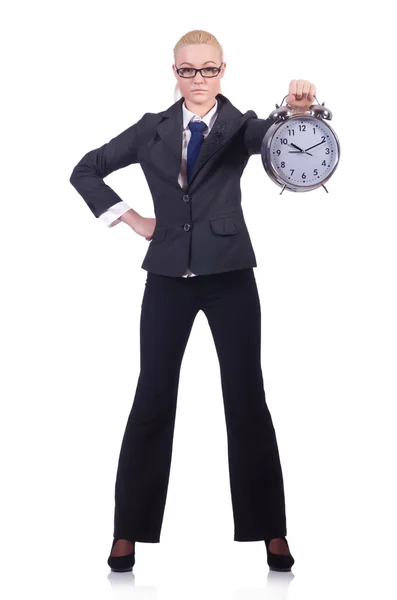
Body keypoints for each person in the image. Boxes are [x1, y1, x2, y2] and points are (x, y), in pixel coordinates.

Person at [69, 29, 316, 572]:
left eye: (209, 70)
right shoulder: (150, 129)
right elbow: (85, 169)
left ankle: (270, 530)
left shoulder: (239, 125)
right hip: (165, 279)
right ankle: (127, 530)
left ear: (223, 70)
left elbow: (275, 137)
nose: (199, 80)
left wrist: (301, 110)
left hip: (230, 276)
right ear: (174, 72)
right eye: (188, 70)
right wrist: (131, 219)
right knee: (152, 396)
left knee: (246, 397)